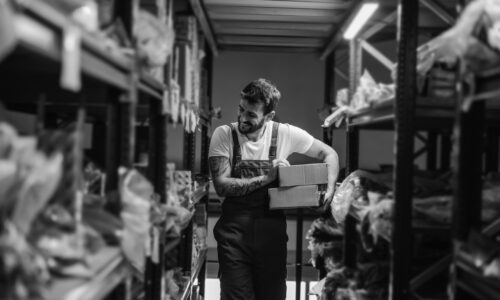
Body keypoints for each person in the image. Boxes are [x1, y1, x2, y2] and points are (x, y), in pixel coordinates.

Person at [208, 78, 339, 300]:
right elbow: (222, 186)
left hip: (272, 237)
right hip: (234, 237)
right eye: (241, 109)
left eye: (251, 114)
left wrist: (330, 188)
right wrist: (268, 176)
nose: (242, 118)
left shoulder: (284, 133)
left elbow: (330, 154)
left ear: (268, 116)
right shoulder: (224, 135)